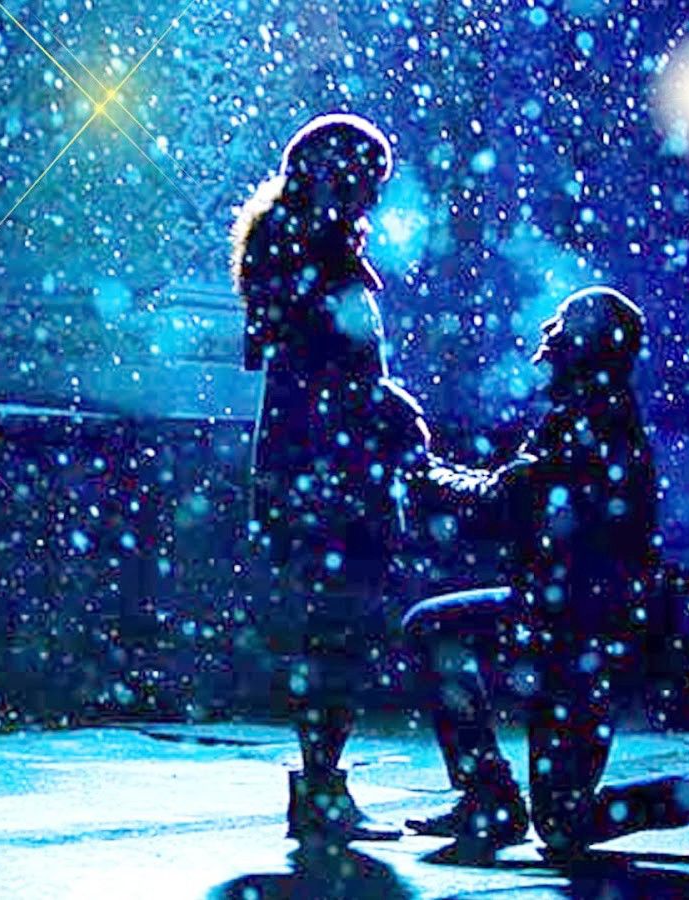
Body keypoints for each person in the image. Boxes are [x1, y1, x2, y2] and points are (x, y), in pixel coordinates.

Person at [400, 286, 689, 859]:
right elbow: (513, 493)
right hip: (562, 618)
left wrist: (423, 471)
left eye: (559, 330)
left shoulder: (592, 421)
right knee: (435, 629)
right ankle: (489, 798)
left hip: (583, 635)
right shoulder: (587, 412)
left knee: (565, 822)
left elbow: (503, 499)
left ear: (585, 348)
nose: (546, 340)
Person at [232, 112, 430, 846]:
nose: (373, 198)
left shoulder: (290, 249)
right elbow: (336, 374)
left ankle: (320, 787)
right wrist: (393, 411)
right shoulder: (312, 256)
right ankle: (320, 790)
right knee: (339, 633)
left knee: (332, 630)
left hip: (315, 468)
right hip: (331, 473)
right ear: (334, 178)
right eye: (367, 181)